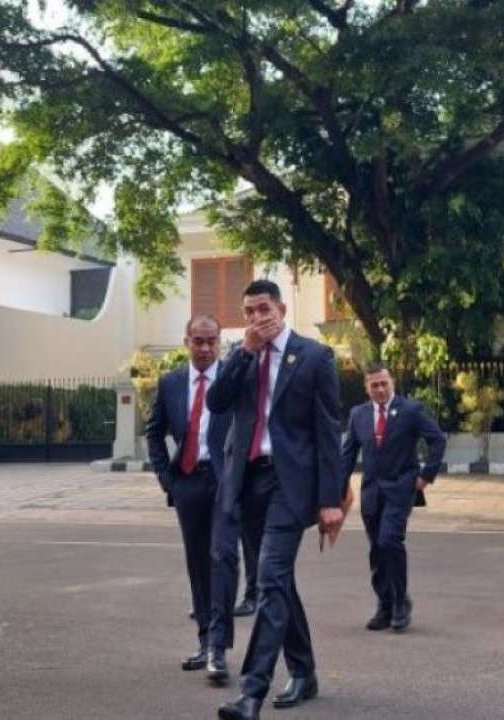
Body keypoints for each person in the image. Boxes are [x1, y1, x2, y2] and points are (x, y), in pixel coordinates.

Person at [210, 279, 343, 720]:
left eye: (263, 309)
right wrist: (242, 352)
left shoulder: (314, 357)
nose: (256, 319)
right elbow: (217, 401)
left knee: (268, 579)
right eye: (248, 312)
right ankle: (304, 671)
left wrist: (330, 500)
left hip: (291, 486)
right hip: (249, 483)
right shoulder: (243, 356)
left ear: (282, 309)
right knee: (278, 582)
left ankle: (251, 693)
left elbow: (328, 434)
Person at [145, 316, 232, 676]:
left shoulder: (234, 379)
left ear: (220, 342)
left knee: (222, 558)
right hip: (188, 484)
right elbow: (153, 432)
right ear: (186, 342)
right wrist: (168, 480)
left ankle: (219, 648)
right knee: (198, 562)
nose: (206, 348)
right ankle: (204, 641)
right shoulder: (171, 383)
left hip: (225, 481)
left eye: (212, 341)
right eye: (199, 341)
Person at [339, 361, 446, 632]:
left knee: (389, 540)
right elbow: (347, 456)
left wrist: (426, 475)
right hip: (371, 492)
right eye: (374, 385)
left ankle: (401, 601)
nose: (380, 389)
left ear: (392, 383)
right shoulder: (358, 415)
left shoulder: (411, 410)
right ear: (366, 388)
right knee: (376, 549)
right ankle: (383, 605)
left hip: (401, 488)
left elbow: (437, 440)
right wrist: (334, 492)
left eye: (384, 383)